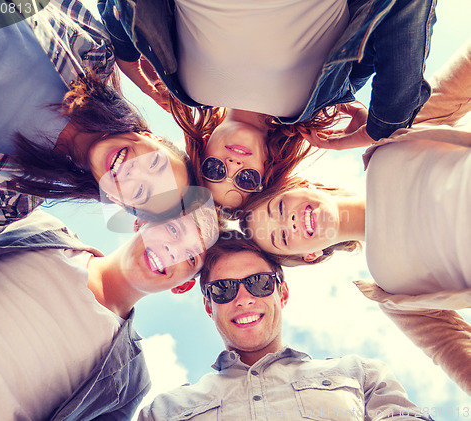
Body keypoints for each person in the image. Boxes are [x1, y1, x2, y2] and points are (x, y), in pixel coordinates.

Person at [240, 41, 471, 394]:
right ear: (310, 256)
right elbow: (454, 354)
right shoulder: (392, 291)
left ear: (306, 185)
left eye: (280, 208)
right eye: (282, 237)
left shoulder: (391, 145)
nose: (289, 223)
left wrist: (384, 123)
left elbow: (462, 75)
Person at [97, 0, 436, 209]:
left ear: (201, 151)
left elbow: (124, 8)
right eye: (245, 180)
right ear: (268, 168)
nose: (231, 165)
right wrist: (383, 126)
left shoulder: (186, 88)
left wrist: (129, 59)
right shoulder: (318, 98)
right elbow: (406, 12)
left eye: (215, 171)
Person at [0, 187, 219, 420]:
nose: (173, 249)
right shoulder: (38, 226)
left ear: (183, 286)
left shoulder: (132, 382)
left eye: (190, 256)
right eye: (174, 229)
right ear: (141, 221)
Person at [138, 232, 432, 420]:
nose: (244, 299)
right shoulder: (163, 411)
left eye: (259, 283)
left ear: (283, 293)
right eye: (224, 289)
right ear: (208, 306)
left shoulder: (362, 375)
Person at [0, 0, 192, 226]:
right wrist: (128, 56)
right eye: (155, 163)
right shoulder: (93, 53)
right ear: (151, 137)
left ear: (116, 200)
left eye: (141, 192)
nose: (135, 172)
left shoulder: (9, 201)